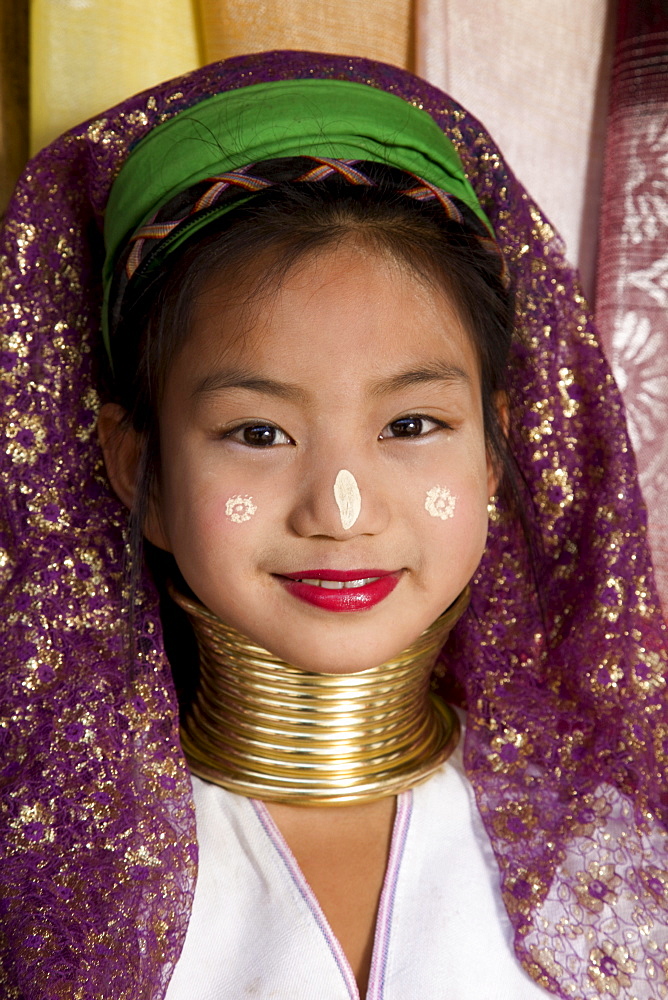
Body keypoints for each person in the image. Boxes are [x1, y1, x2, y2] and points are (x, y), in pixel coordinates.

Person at [0, 50, 666, 1000]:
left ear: (494, 451)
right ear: (135, 463)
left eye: (410, 425)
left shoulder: (615, 870)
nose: (340, 511)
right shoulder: (39, 886)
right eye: (258, 433)